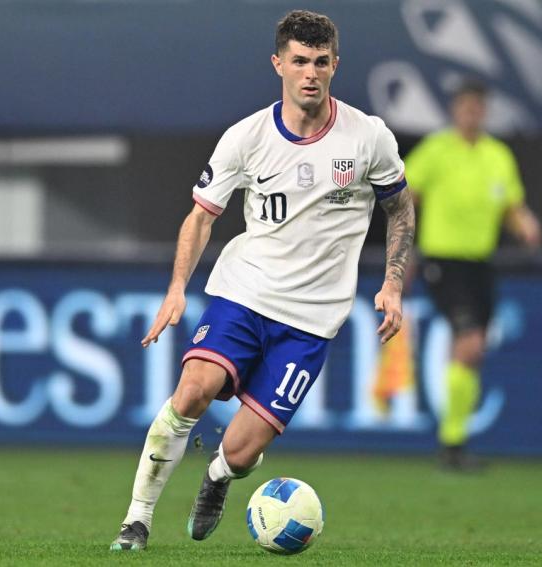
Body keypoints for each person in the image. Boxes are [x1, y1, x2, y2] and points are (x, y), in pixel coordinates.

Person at [110, 10, 415, 551]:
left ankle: (217, 477)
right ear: (278, 64)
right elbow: (201, 217)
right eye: (299, 61)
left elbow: (400, 208)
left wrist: (393, 283)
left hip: (311, 321)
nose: (310, 73)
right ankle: (137, 520)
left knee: (242, 451)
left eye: (320, 62)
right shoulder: (246, 137)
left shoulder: (368, 137)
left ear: (335, 65)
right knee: (193, 390)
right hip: (244, 293)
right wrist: (177, 288)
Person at [403, 79, 540, 471]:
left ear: (485, 112)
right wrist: (404, 251)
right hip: (443, 261)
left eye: (477, 107)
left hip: (481, 264)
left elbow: (511, 205)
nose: (471, 113)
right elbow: (405, 198)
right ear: (454, 110)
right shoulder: (436, 150)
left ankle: (454, 443)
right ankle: (452, 442)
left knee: (471, 352)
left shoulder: (497, 155)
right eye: (465, 106)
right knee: (470, 342)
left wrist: (525, 224)